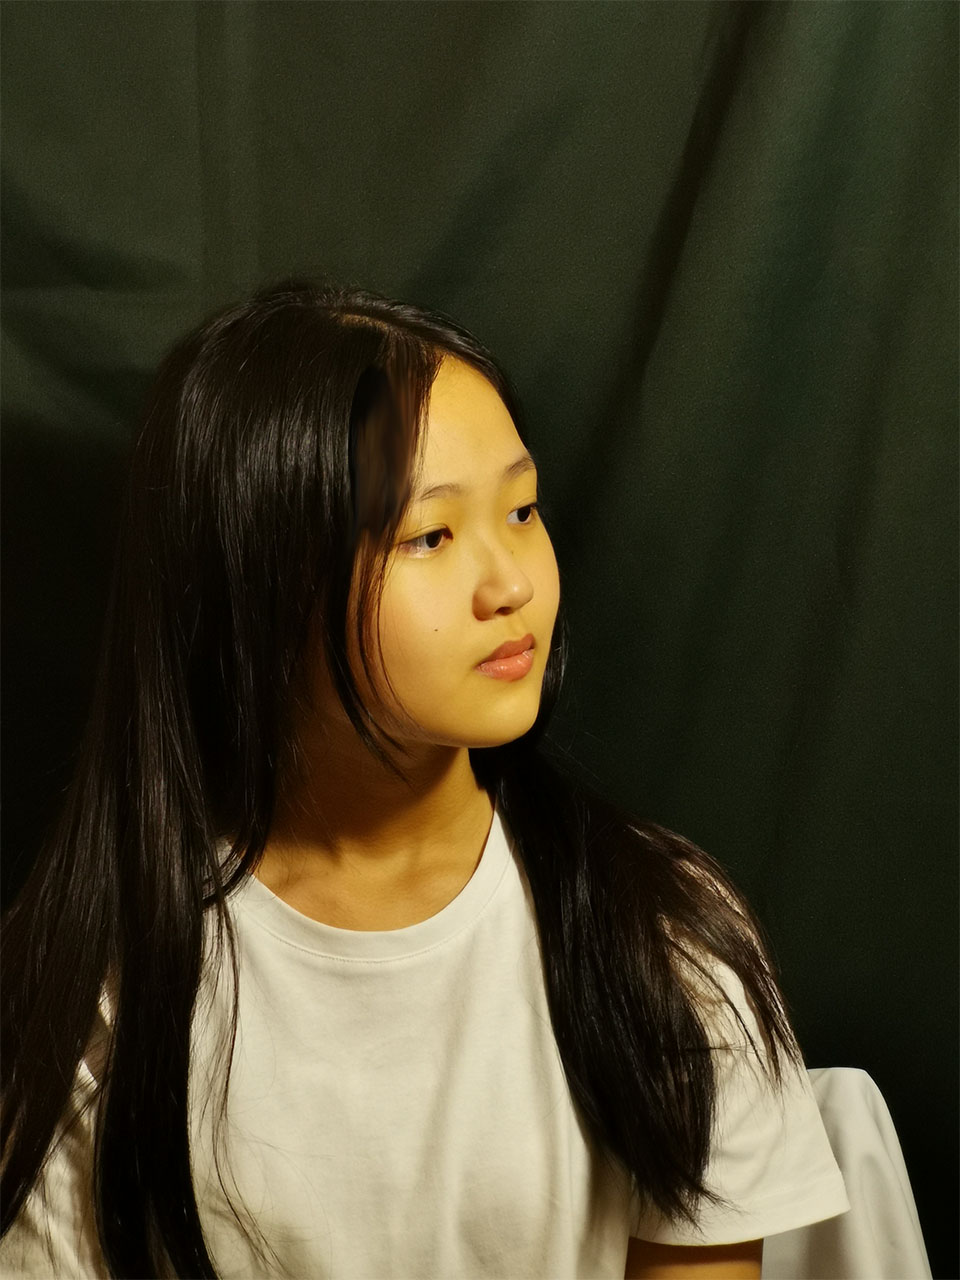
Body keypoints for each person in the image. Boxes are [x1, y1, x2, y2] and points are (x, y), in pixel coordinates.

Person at [0, 279, 849, 1279]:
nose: (513, 583)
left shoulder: (658, 936)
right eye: (431, 535)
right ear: (261, 579)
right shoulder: (112, 976)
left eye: (522, 509)